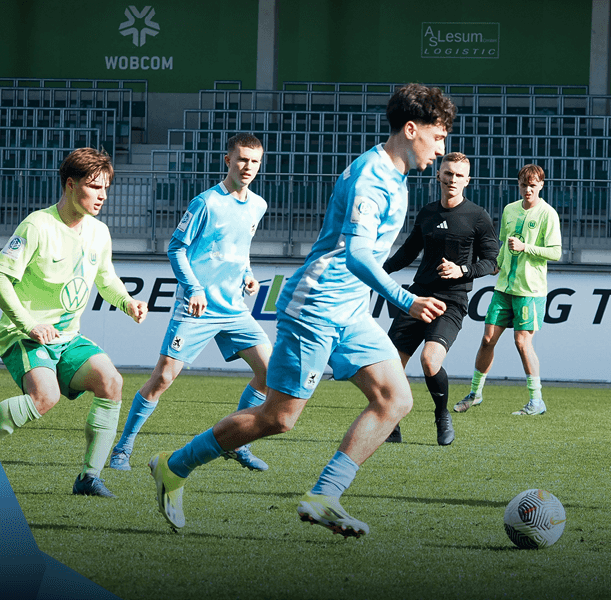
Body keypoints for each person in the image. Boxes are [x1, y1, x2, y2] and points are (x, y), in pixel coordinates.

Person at [147, 83, 454, 536]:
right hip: (316, 306)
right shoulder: (370, 178)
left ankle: (324, 495)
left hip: (350, 311)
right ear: (412, 130)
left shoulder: (397, 176)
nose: (442, 147)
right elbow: (358, 256)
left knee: (396, 399)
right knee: (279, 418)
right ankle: (173, 467)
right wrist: (406, 299)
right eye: (438, 136)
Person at [110, 133, 272, 472]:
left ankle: (237, 442)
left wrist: (248, 274)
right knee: (162, 378)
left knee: (270, 373)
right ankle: (121, 451)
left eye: (254, 161)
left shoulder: (258, 205)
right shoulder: (206, 202)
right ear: (227, 161)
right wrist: (194, 288)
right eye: (241, 159)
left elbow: (239, 249)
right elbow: (176, 248)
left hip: (233, 309)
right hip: (196, 307)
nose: (248, 166)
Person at [0, 147, 148, 498]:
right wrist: (29, 324)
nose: (103, 196)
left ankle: (88, 478)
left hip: (66, 337)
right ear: (70, 184)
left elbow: (106, 279)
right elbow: (2, 278)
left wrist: (127, 302)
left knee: (111, 382)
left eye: (106, 188)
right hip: (24, 334)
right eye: (95, 187)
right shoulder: (37, 225)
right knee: (44, 396)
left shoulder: (99, 233)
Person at [382, 152, 499, 446]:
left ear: (467, 181)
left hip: (452, 302)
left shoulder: (477, 216)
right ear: (439, 176)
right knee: (391, 364)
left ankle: (441, 414)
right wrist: (376, 271)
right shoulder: (427, 213)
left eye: (459, 175)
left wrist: (462, 269)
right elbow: (408, 252)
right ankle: (392, 421)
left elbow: (492, 262)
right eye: (448, 173)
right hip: (417, 297)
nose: (453, 180)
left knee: (429, 360)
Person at [453, 164, 561, 416]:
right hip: (504, 287)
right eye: (524, 185)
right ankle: (475, 392)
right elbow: (503, 245)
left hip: (530, 290)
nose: (528, 190)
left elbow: (555, 253)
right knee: (488, 338)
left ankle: (537, 401)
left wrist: (526, 248)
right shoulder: (510, 210)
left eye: (533, 185)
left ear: (541, 186)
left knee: (522, 342)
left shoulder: (548, 214)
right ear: (519, 184)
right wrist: (497, 264)